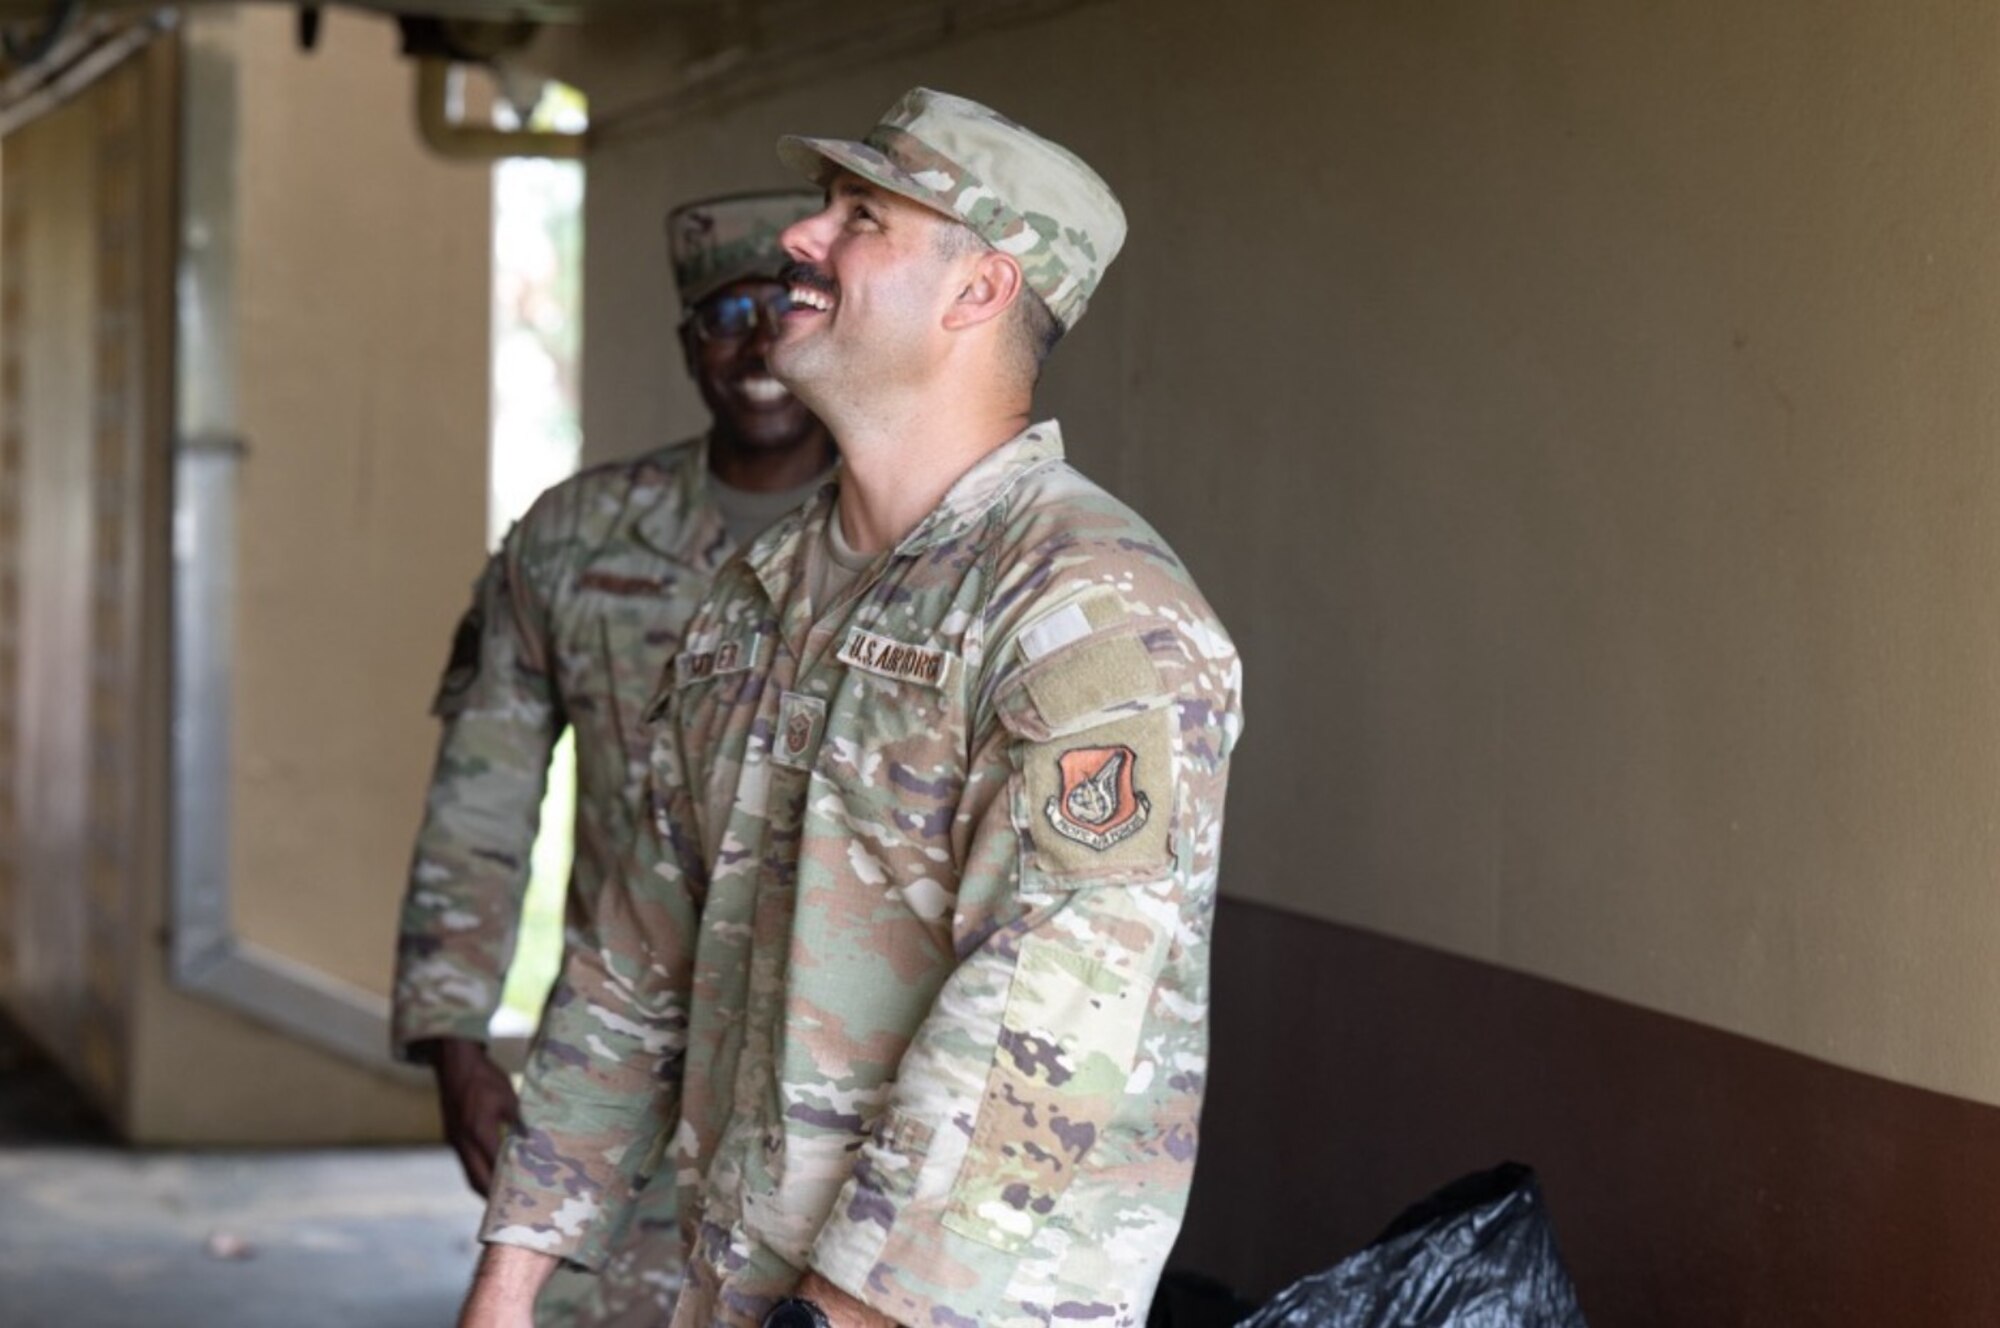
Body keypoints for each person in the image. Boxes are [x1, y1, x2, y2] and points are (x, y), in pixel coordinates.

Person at [459, 89, 1244, 1328]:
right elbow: (635, 958)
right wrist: (511, 1278)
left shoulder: (1087, 609)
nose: (799, 242)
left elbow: (1039, 1026)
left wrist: (838, 1315)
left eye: (860, 216)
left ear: (977, 289)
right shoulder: (758, 598)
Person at [393, 189, 835, 1327]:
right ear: (690, 340)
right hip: (621, 1074)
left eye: (788, 303)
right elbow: (481, 799)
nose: (759, 340)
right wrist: (455, 1036)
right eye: (723, 310)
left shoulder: (914, 539)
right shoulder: (578, 538)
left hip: (841, 1094)